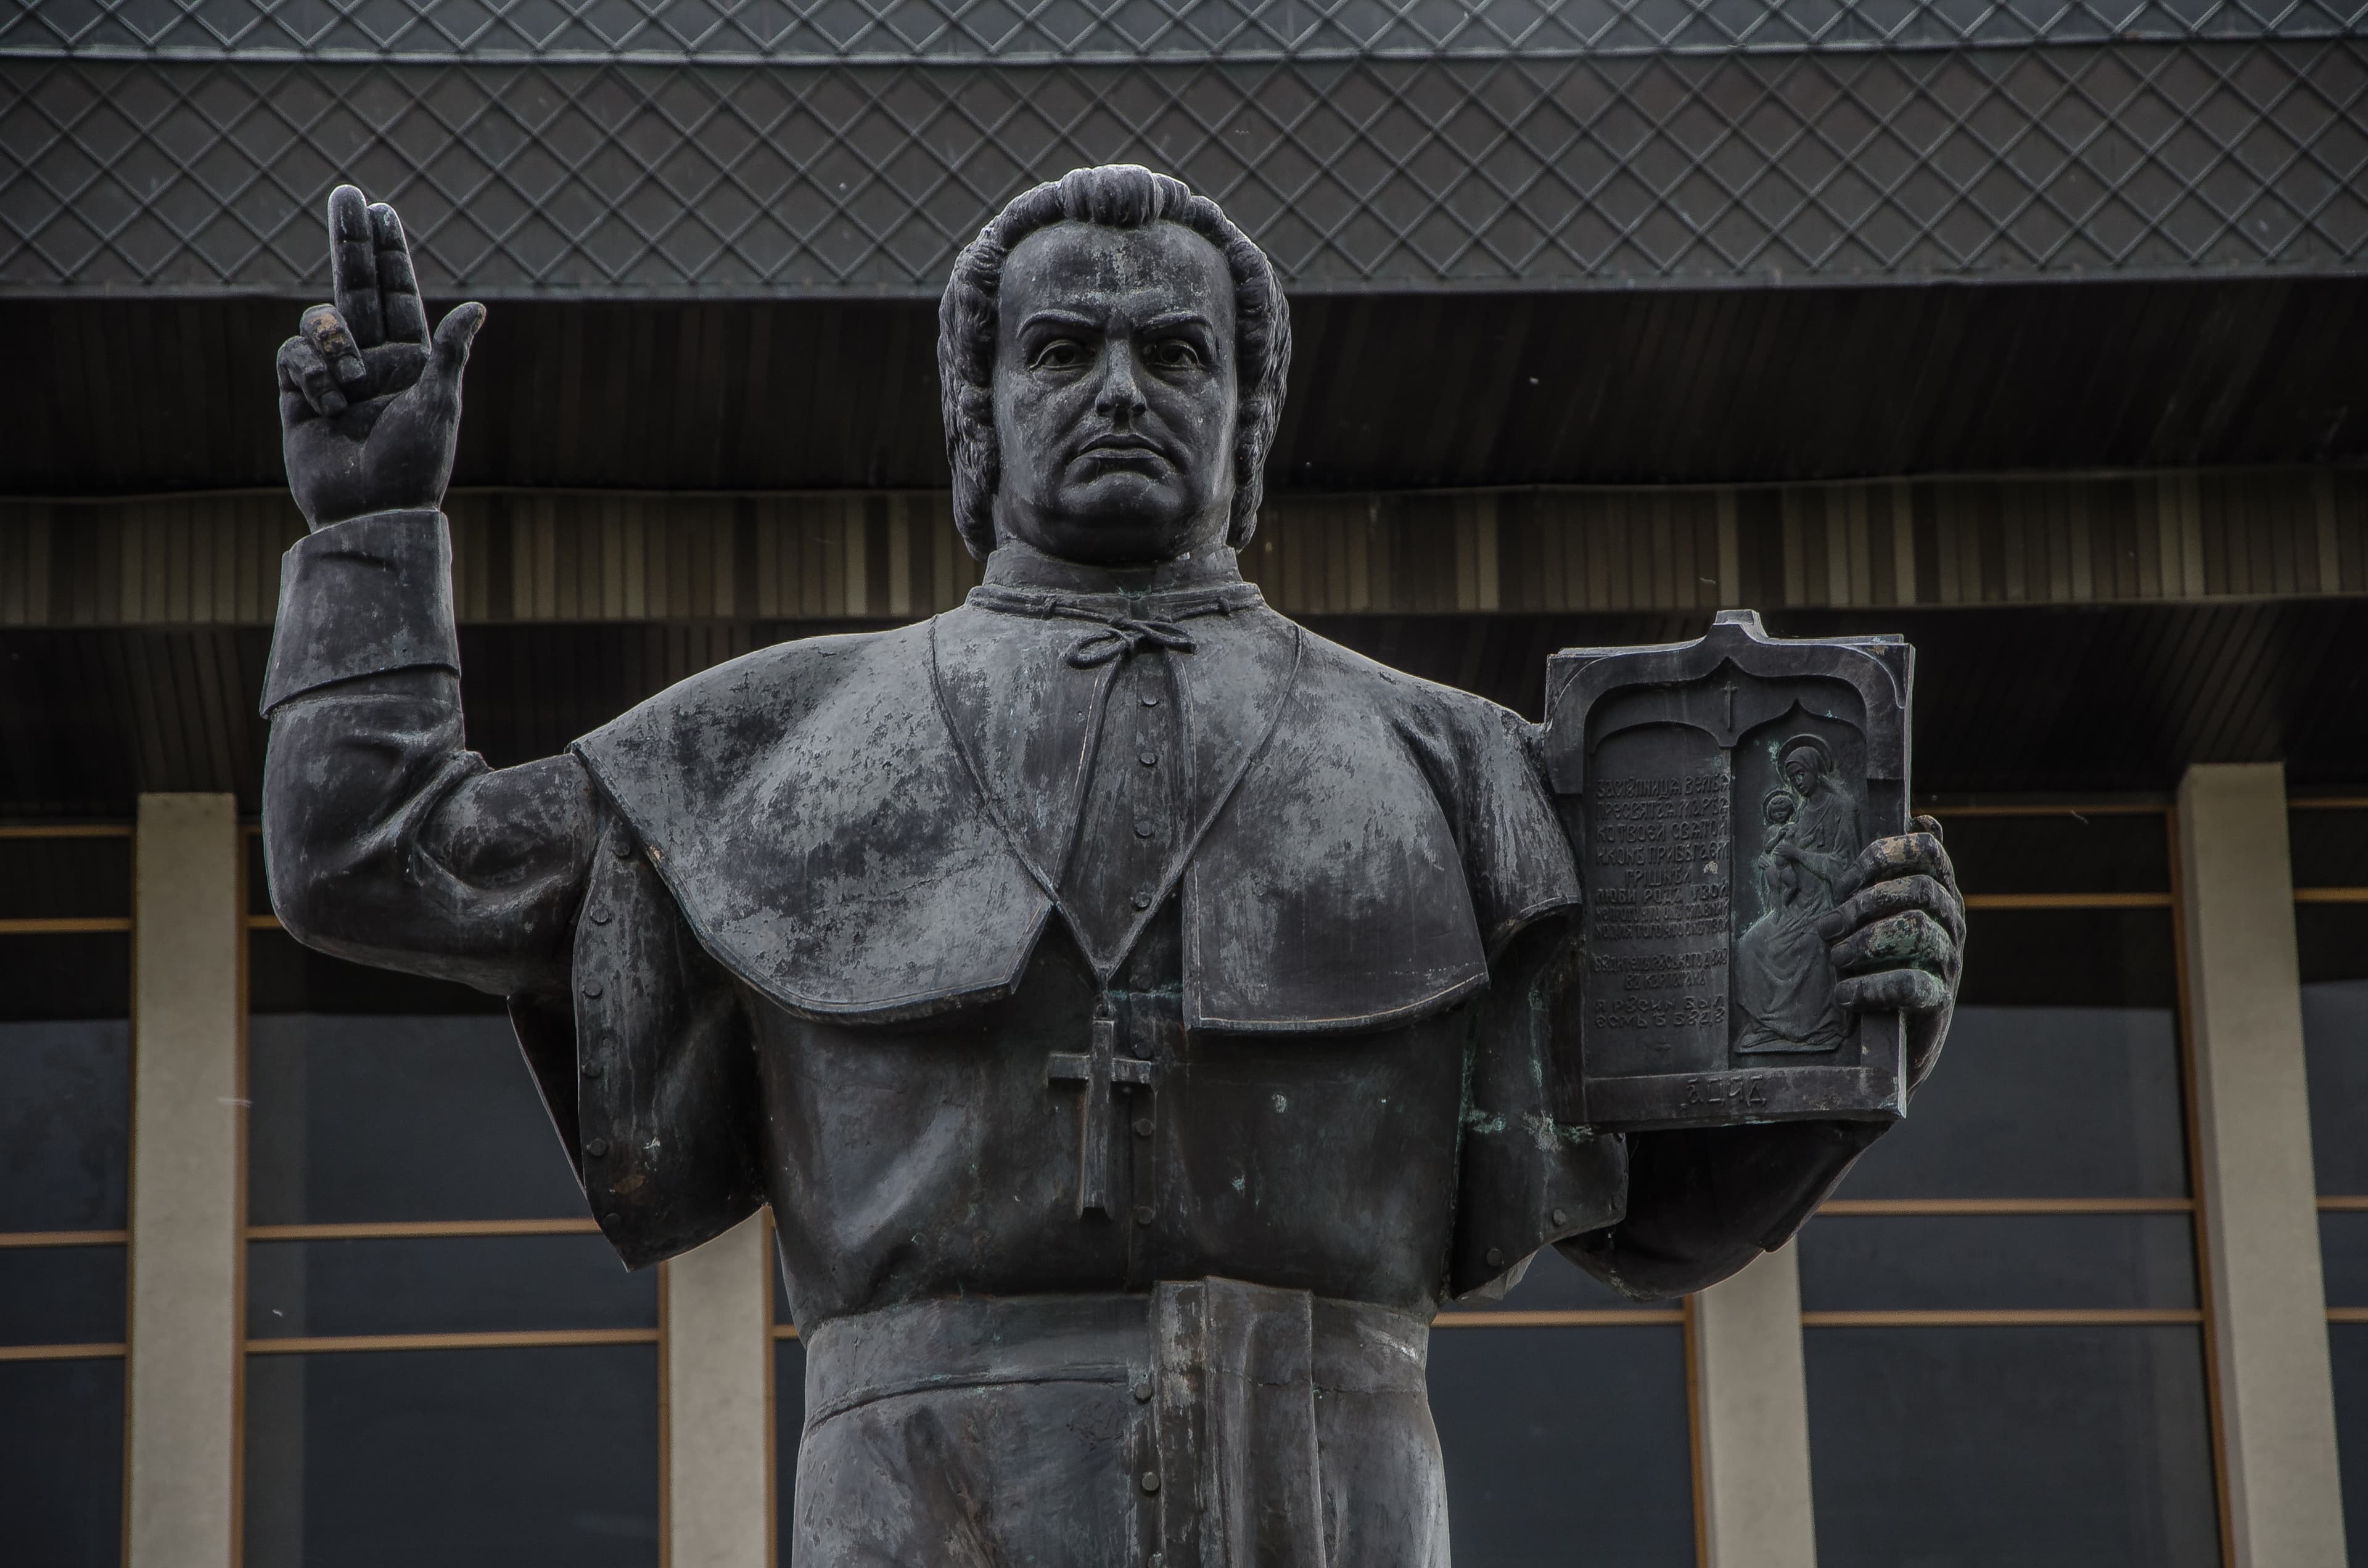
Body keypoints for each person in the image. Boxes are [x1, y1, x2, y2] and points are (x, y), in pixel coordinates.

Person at [261, 165, 1965, 1566]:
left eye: (1178, 352)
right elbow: (373, 857)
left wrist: (1843, 1040)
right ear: (979, 409)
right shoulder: (772, 740)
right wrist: (368, 533)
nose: (1122, 387)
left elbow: (1656, 1226)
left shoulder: (1464, 770)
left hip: (1343, 1497)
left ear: (1248, 416)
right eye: (1062, 346)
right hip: (913, 1500)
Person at [1735, 787, 1850, 1051]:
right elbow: (1776, 873)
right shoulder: (1785, 830)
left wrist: (1797, 856)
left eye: (1802, 774)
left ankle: (1816, 1027)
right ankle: (1765, 1024)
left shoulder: (1838, 812)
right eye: (1795, 776)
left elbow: (1838, 868)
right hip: (1788, 908)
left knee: (1814, 945)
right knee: (1748, 945)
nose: (1799, 782)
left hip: (1817, 905)